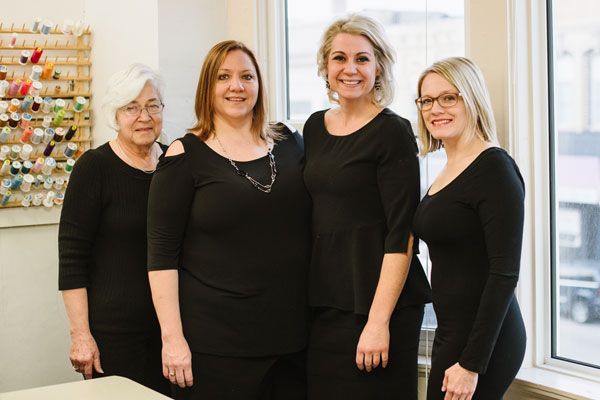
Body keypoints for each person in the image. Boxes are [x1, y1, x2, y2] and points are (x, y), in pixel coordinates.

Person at [146, 40, 311, 400]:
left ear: (259, 86)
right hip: (218, 344)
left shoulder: (290, 144)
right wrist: (172, 340)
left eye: (246, 76)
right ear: (208, 87)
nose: (236, 86)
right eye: (224, 77)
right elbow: (161, 257)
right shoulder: (184, 155)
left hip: (293, 339)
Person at [302, 14, 431, 399]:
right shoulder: (313, 127)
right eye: (339, 58)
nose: (350, 69)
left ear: (379, 67)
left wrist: (378, 322)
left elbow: (402, 233)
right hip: (326, 303)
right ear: (326, 67)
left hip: (380, 307)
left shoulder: (393, 132)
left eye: (362, 58)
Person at [412, 56, 526, 400]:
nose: (436, 109)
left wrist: (472, 364)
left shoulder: (494, 169)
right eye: (427, 100)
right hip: (453, 331)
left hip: (484, 341)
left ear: (471, 98)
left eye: (449, 97)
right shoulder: (448, 166)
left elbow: (504, 273)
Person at [58, 63, 171, 396]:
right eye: (131, 108)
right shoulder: (94, 168)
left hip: (173, 329)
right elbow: (72, 259)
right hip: (115, 334)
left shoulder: (174, 164)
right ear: (115, 114)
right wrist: (81, 335)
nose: (144, 116)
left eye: (153, 105)